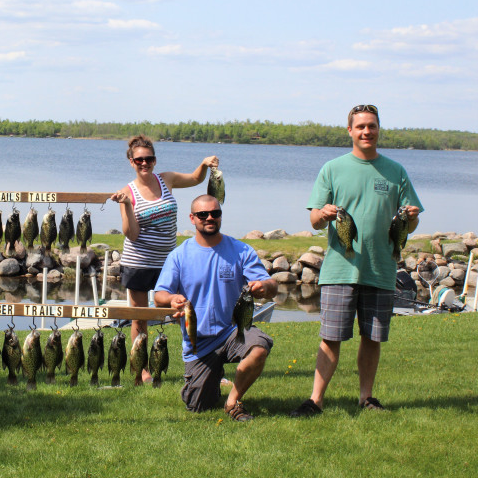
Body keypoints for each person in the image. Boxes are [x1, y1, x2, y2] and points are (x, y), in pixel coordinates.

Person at [289, 104, 422, 417]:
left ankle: (367, 398)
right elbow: (314, 221)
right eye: (360, 126)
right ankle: (316, 400)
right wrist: (322, 213)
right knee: (331, 337)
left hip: (381, 268)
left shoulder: (396, 171)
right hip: (340, 269)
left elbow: (409, 224)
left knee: (372, 337)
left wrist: (411, 218)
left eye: (371, 126)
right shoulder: (332, 168)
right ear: (350, 130)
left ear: (378, 130)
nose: (366, 132)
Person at [154, 194, 278, 421]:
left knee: (259, 347)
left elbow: (272, 285)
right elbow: (159, 295)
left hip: (233, 331)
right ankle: (210, 376)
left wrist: (264, 286)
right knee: (197, 405)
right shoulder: (179, 256)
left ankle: (233, 401)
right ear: (192, 218)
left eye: (215, 213)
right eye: (203, 214)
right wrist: (171, 299)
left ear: (220, 216)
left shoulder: (241, 251)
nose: (210, 218)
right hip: (199, 342)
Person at [110, 135, 218, 383]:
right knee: (139, 316)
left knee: (186, 311)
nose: (144, 163)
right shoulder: (127, 192)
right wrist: (126, 205)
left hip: (170, 261)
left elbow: (195, 179)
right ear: (131, 161)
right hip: (139, 262)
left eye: (148, 159)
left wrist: (203, 164)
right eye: (139, 160)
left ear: (155, 160)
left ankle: (201, 365)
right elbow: (132, 234)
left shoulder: (166, 179)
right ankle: (141, 371)